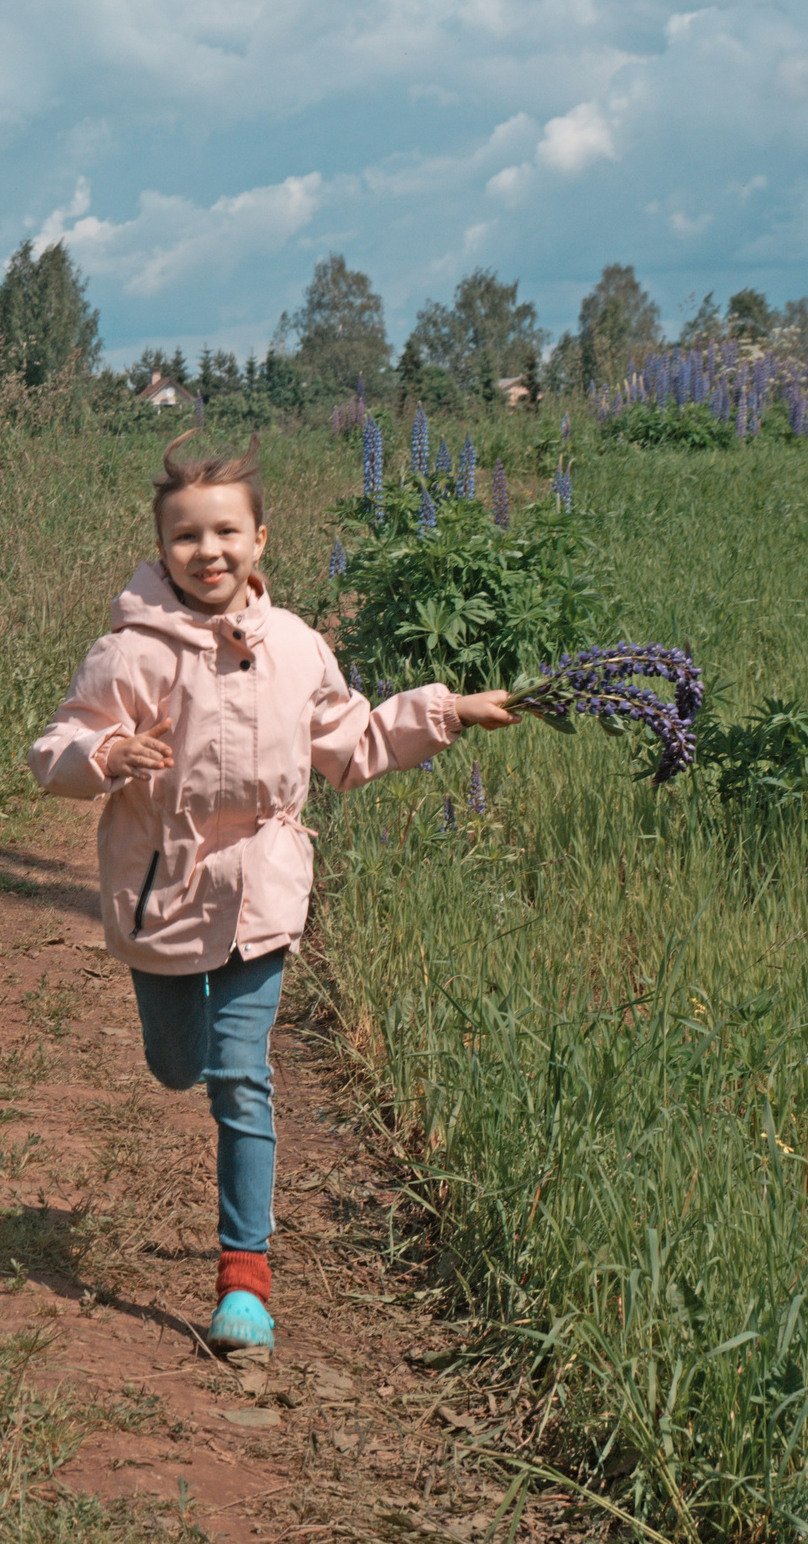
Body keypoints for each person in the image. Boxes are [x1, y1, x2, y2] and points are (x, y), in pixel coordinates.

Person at [26, 432, 516, 1352]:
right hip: (162, 895)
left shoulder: (296, 646)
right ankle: (191, 1066)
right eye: (185, 537)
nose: (206, 552)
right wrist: (104, 754)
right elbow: (52, 748)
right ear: (160, 547)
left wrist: (450, 710)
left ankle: (243, 1277)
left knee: (243, 1077)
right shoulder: (128, 652)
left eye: (225, 533)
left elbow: (355, 740)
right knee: (179, 1065)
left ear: (260, 540)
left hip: (264, 892)